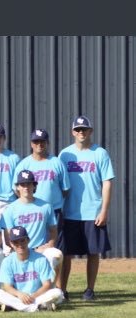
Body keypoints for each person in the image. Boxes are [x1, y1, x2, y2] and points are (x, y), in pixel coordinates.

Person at [57, 115, 113, 301]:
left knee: (93, 252)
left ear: (91, 131)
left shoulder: (100, 153)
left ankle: (90, 289)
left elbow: (106, 183)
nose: (81, 132)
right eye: (78, 129)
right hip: (70, 211)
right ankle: (62, 290)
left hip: (93, 211)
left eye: (85, 129)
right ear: (73, 132)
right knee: (66, 253)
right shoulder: (65, 155)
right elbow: (58, 182)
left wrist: (104, 210)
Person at [0, 226, 63, 312]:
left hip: (37, 295)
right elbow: (7, 287)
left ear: (28, 240)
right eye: (16, 242)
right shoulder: (7, 261)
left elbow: (47, 285)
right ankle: (36, 307)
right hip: (18, 296)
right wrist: (20, 294)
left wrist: (32, 297)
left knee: (57, 294)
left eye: (22, 240)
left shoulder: (41, 259)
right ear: (11, 244)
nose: (20, 245)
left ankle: (15, 306)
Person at [0, 170, 62, 271]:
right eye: (22, 184)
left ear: (34, 186)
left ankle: (54, 286)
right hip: (19, 250)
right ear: (18, 187)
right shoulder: (9, 210)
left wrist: (50, 244)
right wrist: (25, 250)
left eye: (29, 184)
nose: (26, 187)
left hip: (41, 249)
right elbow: (8, 240)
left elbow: (53, 230)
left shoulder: (46, 206)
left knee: (55, 254)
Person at [13, 128, 69, 220]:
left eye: (42, 141)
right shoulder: (23, 165)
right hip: (31, 211)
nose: (39, 144)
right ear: (31, 144)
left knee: (54, 234)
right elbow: (16, 189)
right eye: (36, 141)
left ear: (48, 143)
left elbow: (65, 189)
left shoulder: (57, 163)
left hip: (54, 210)